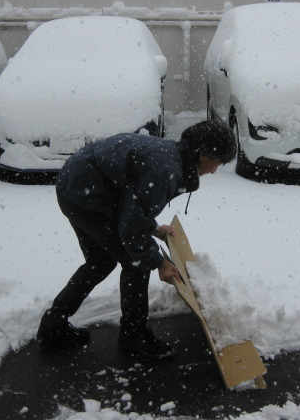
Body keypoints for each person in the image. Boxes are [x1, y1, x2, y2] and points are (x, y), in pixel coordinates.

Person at [36, 120, 236, 358]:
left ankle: (53, 325)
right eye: (217, 162)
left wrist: (152, 228)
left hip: (77, 186)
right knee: (137, 261)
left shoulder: (169, 155)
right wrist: (160, 263)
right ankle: (134, 336)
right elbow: (131, 228)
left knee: (101, 261)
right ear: (203, 153)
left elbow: (131, 204)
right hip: (85, 195)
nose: (214, 170)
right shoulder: (165, 169)